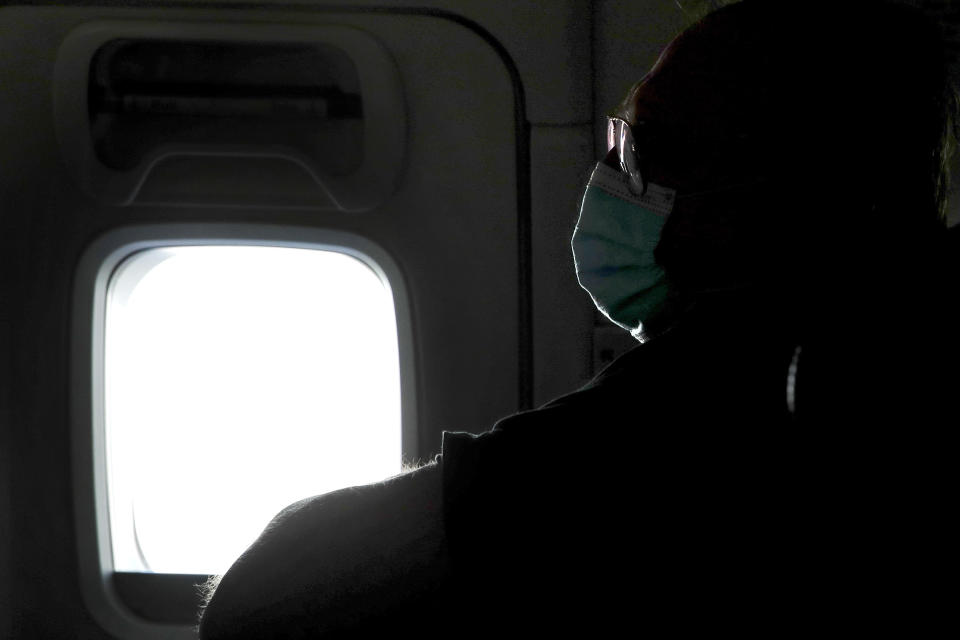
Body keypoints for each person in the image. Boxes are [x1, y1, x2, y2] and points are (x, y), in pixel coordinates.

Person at [198, 1, 956, 637]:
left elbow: (257, 605)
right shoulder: (891, 332)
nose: (613, 180)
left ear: (783, 194)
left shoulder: (699, 395)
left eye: (648, 146)